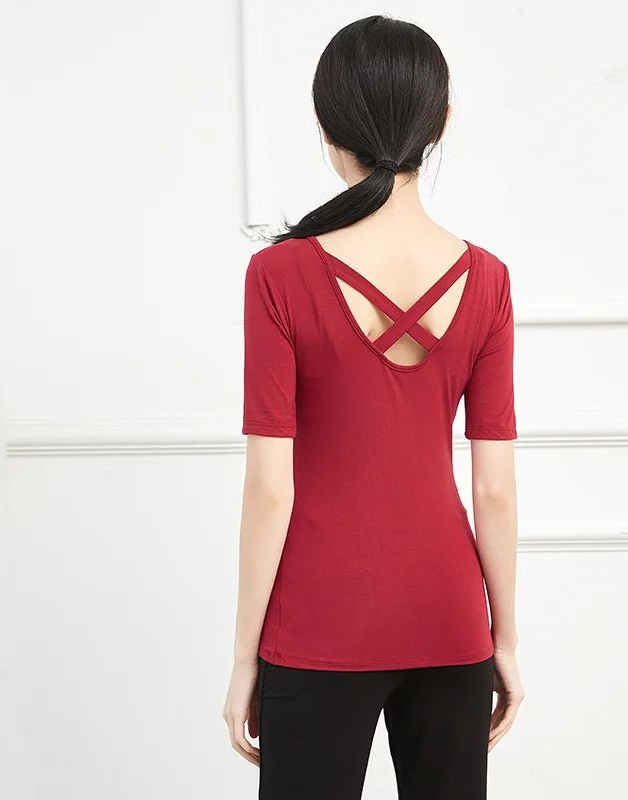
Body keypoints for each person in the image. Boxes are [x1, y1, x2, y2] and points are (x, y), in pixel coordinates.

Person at [223, 13, 524, 799]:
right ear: (441, 123)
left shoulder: (279, 276)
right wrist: (504, 639)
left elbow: (270, 490)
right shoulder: (488, 280)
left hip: (317, 621)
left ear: (326, 128)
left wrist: (245, 656)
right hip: (451, 621)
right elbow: (494, 489)